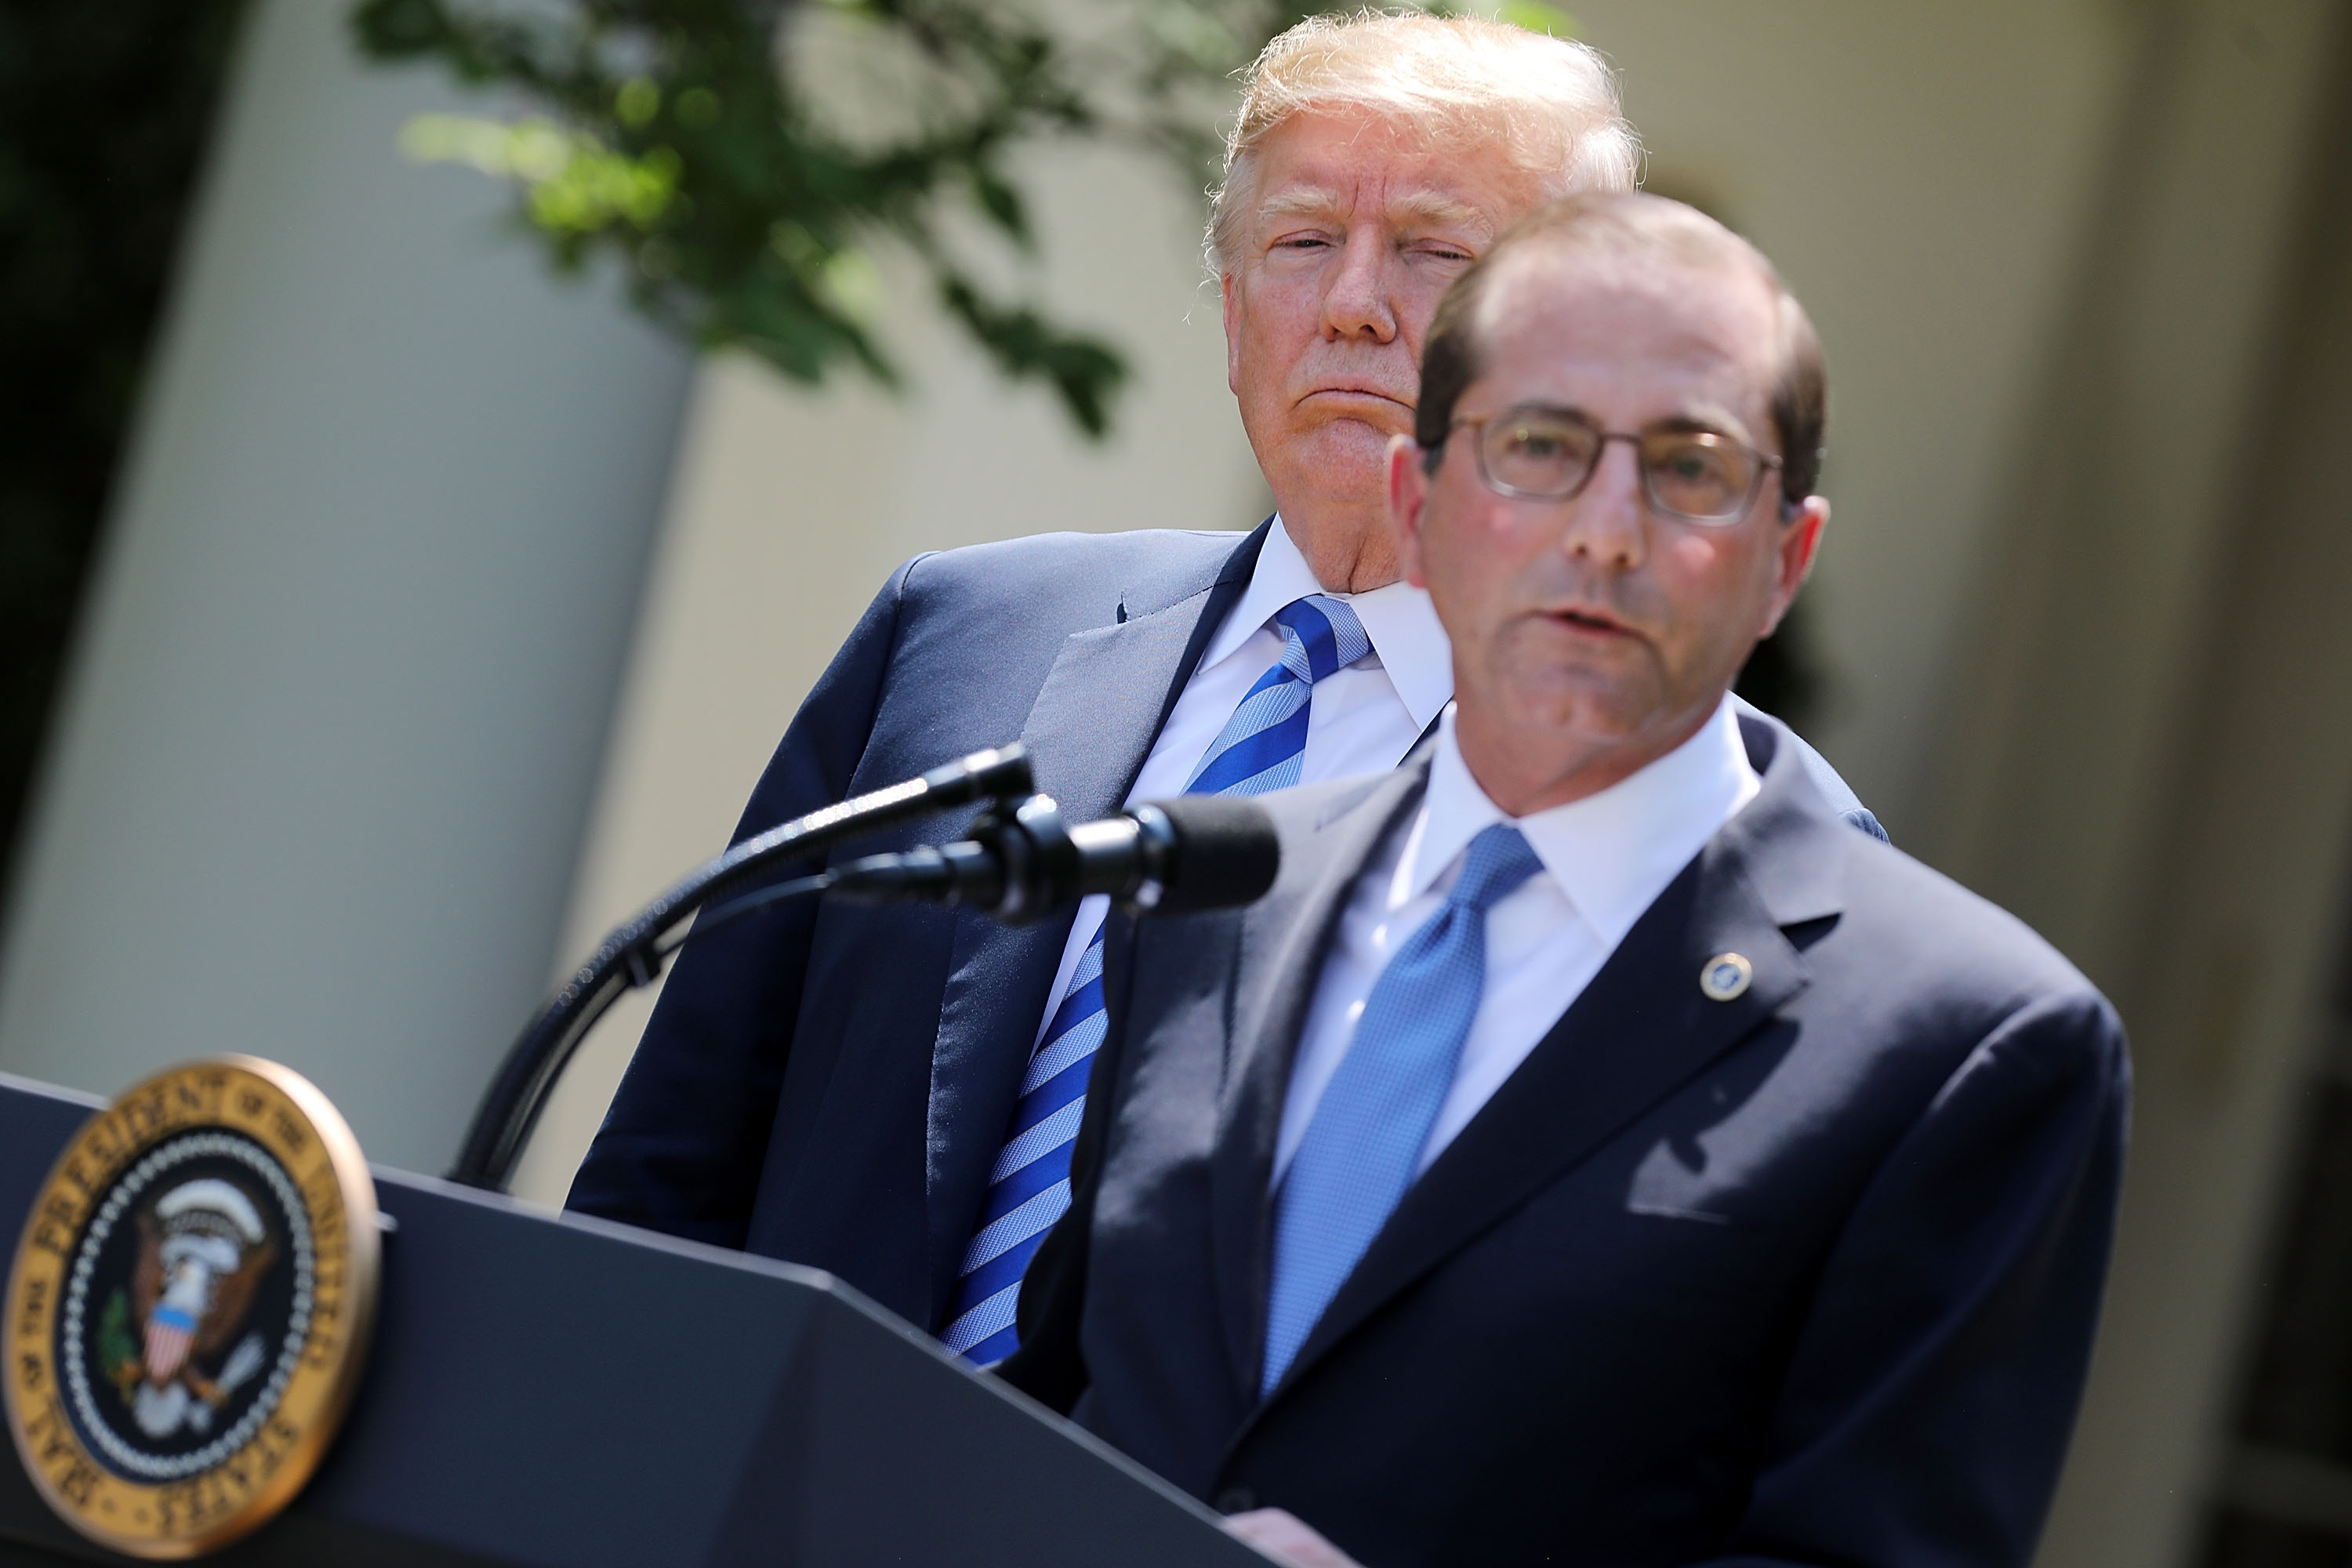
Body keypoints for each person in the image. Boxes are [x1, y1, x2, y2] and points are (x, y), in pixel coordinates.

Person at [566, 14, 1881, 1359]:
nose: (1355, 302)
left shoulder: (1726, 830)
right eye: (1304, 242)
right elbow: (672, 1169)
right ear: (1235, 299)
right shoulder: (964, 632)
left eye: (1437, 252)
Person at [999, 192, 2129, 1568]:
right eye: (1539, 447)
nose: (1606, 529)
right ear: (1419, 509)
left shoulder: (1969, 1046)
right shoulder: (1217, 896)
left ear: (1787, 560)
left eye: (1692, 469)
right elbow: (1051, 1410)